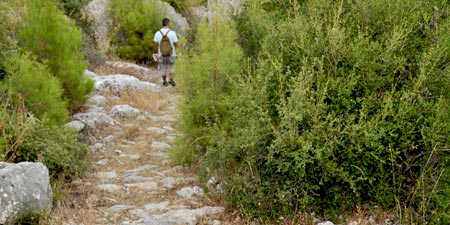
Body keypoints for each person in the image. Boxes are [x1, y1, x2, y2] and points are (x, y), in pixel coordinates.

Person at [153, 18, 178, 87]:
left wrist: (155, 54)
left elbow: (155, 45)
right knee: (172, 67)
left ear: (162, 24)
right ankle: (171, 79)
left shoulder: (157, 33)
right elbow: (176, 44)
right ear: (168, 24)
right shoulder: (172, 33)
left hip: (161, 55)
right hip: (171, 54)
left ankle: (164, 81)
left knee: (163, 68)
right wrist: (179, 52)